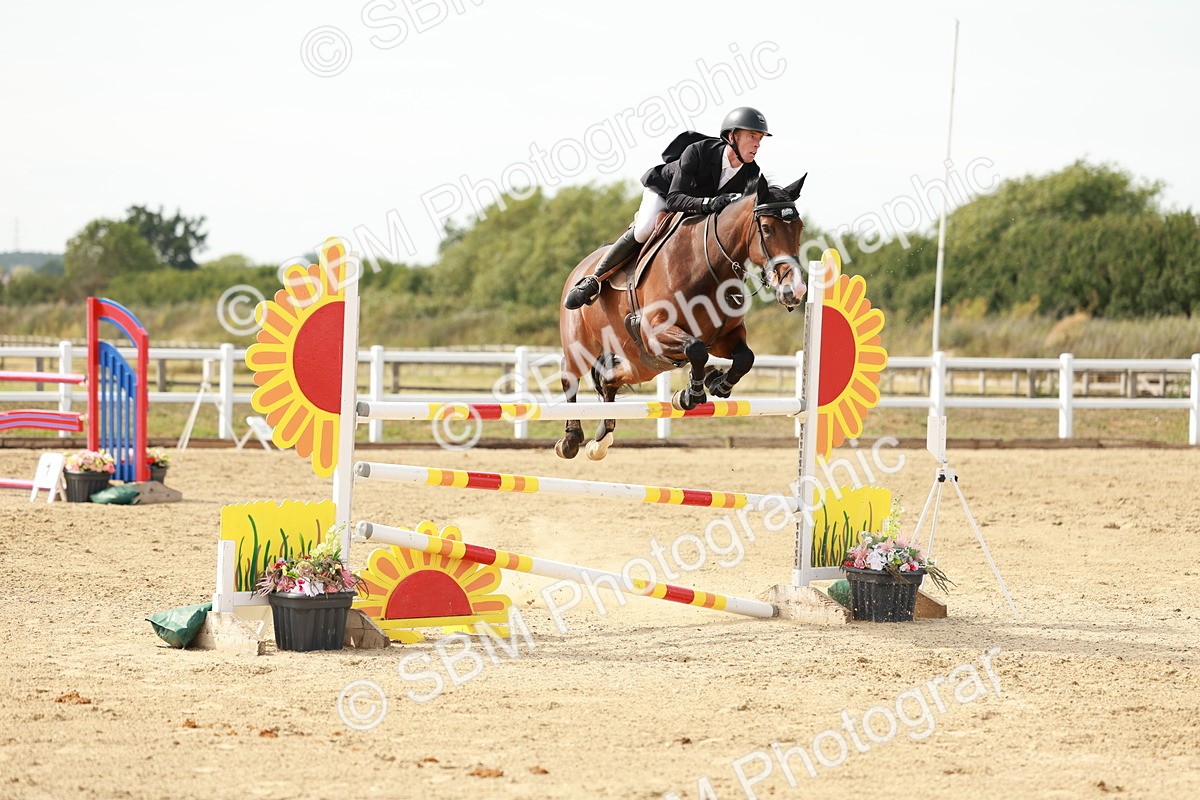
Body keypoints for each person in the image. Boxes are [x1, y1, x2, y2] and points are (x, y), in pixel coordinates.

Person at [563, 106, 772, 310]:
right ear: (732, 136)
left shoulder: (752, 173)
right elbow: (674, 199)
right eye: (751, 137)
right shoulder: (698, 151)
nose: (757, 145)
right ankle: (593, 279)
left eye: (760, 139)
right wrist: (708, 203)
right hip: (665, 193)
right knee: (644, 229)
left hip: (702, 212)